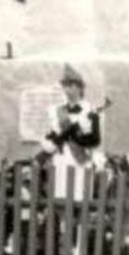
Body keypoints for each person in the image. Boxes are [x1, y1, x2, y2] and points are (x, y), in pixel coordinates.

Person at [41, 64, 102, 200]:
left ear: (80, 88)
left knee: (80, 198)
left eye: (71, 85)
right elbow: (51, 135)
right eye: (65, 86)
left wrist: (75, 136)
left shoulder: (90, 110)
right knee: (60, 197)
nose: (68, 89)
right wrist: (53, 139)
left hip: (81, 162)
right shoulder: (56, 111)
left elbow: (96, 140)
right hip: (61, 160)